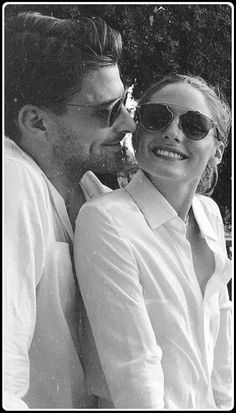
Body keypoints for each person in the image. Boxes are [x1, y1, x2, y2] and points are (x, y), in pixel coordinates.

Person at [74, 74, 232, 409]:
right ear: (139, 129)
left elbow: (223, 363)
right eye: (157, 117)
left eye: (194, 125)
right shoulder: (106, 220)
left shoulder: (209, 215)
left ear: (217, 152)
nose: (172, 132)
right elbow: (135, 374)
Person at [4, 10, 136, 410]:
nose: (129, 123)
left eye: (124, 104)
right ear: (36, 122)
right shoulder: (13, 181)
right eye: (105, 112)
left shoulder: (93, 193)